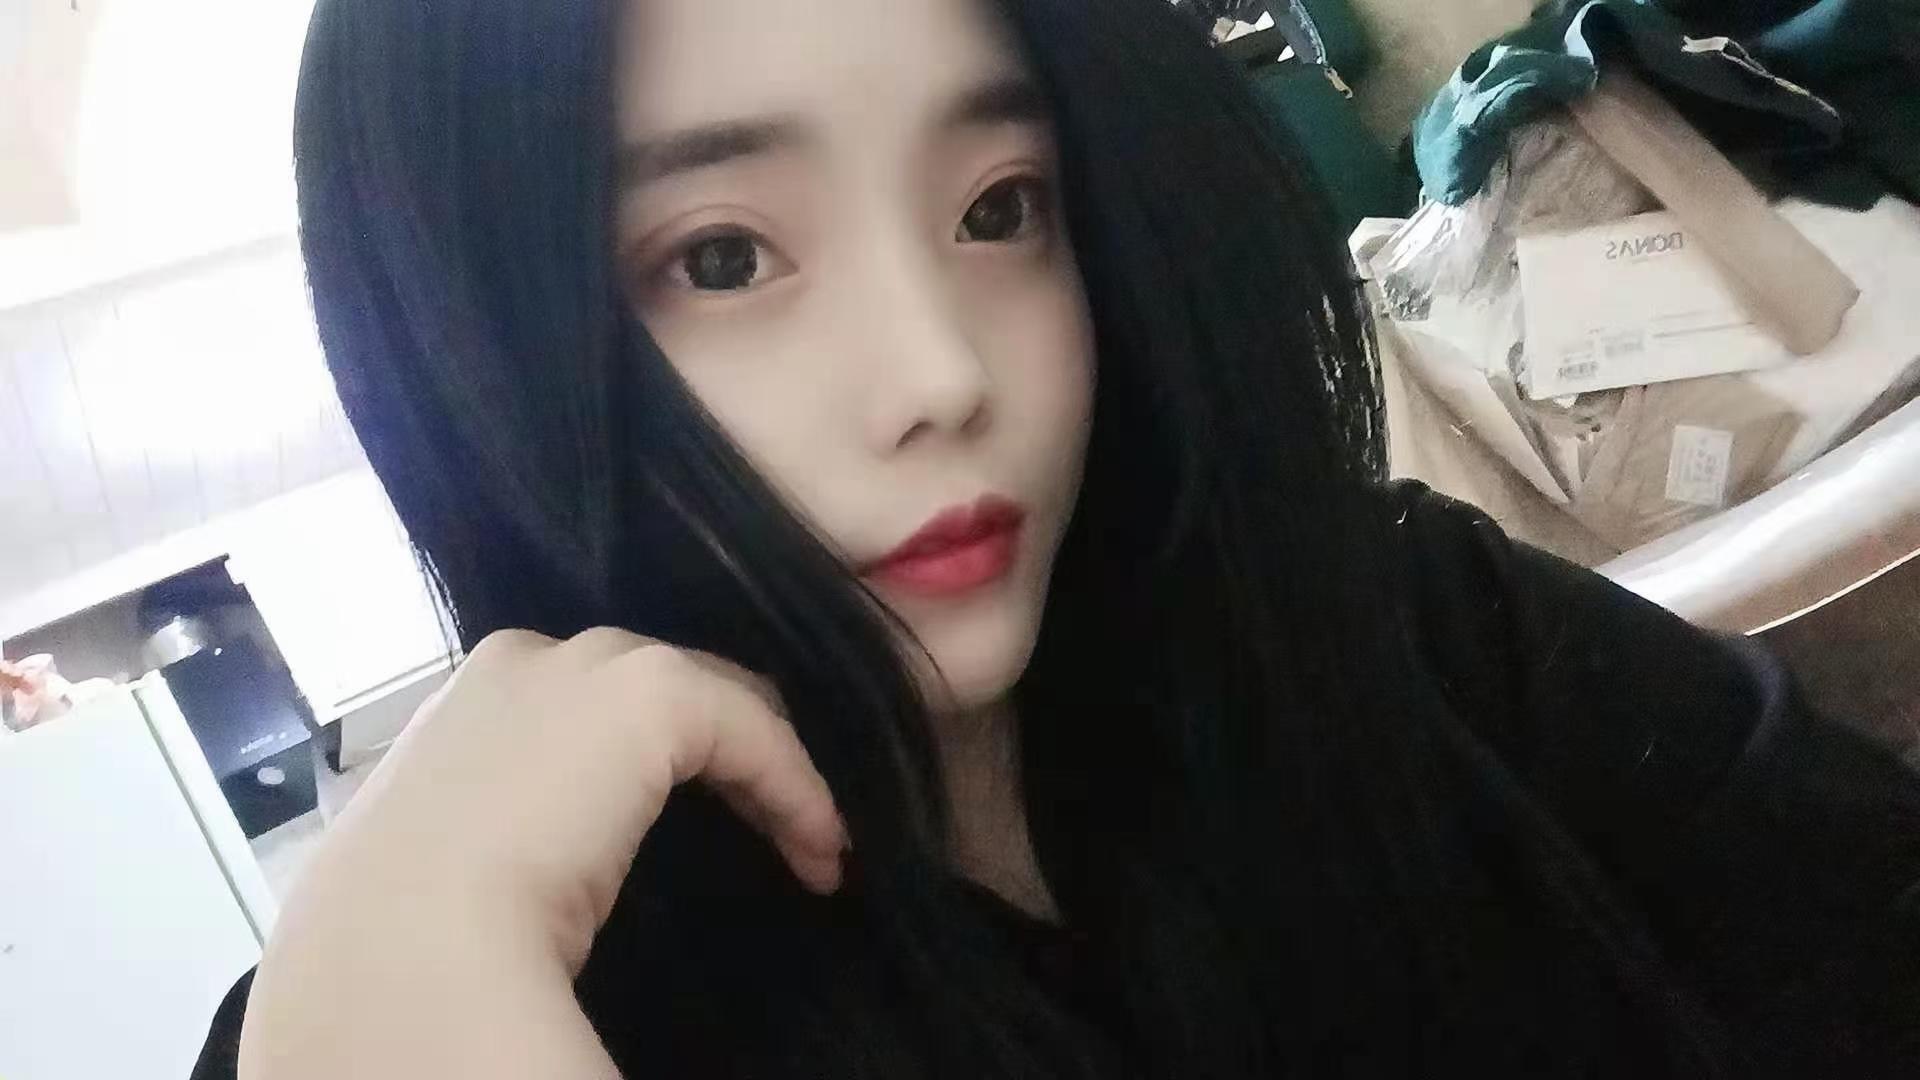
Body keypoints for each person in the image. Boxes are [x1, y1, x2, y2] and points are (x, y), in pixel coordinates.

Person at [197, 0, 1920, 1076]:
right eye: (721, 258)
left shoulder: (1406, 624)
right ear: (469, 343)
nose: (943, 376)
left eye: (999, 208)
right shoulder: (414, 993)